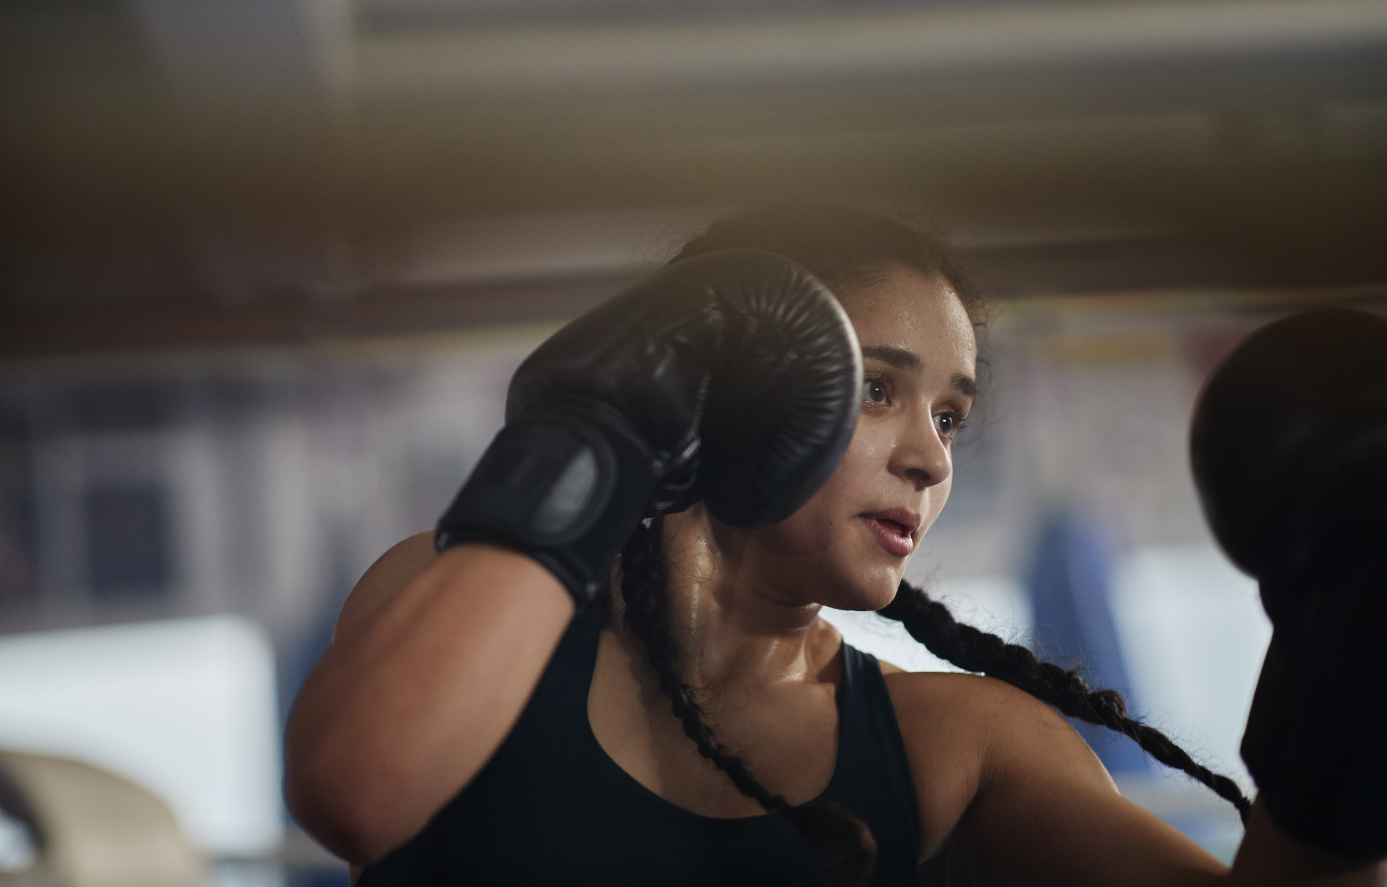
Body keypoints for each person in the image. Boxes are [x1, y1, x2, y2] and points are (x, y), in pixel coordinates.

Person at [282, 206, 1387, 885]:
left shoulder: (959, 743)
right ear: (728, 389)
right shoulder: (467, 607)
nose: (930, 459)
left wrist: (1347, 668)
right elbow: (355, 794)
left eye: (948, 416)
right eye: (873, 390)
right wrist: (598, 434)